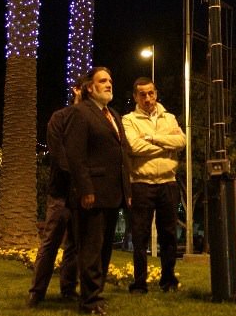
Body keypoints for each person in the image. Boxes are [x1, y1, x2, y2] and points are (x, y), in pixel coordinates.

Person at [65, 67, 131, 315]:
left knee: (104, 249)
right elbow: (75, 155)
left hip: (113, 193)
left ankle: (96, 295)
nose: (109, 84)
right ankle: (89, 300)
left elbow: (122, 154)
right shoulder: (80, 112)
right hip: (92, 192)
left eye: (110, 80)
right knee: (91, 249)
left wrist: (127, 190)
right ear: (90, 88)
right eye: (103, 81)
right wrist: (85, 189)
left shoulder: (113, 115)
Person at [121, 77, 185, 294]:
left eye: (151, 93)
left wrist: (150, 137)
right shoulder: (128, 120)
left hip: (168, 182)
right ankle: (140, 284)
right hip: (141, 183)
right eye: (142, 94)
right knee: (140, 236)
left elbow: (181, 141)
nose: (147, 98)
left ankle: (168, 280)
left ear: (156, 93)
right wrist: (166, 144)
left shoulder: (169, 117)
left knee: (169, 235)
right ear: (135, 97)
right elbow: (134, 147)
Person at [27, 76, 84, 308]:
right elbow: (58, 153)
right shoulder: (60, 118)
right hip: (61, 191)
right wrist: (80, 176)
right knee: (50, 242)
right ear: (77, 90)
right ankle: (37, 292)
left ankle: (68, 289)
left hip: (83, 193)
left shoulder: (94, 119)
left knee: (75, 245)